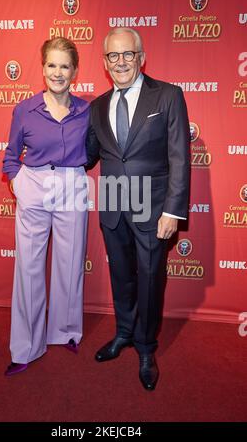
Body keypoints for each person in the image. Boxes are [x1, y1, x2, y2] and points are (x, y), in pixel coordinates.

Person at [86, 28, 190, 391]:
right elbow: (86, 155)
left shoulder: (167, 96)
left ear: (141, 56)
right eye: (113, 56)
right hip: (112, 202)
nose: (121, 62)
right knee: (122, 277)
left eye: (127, 54)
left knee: (149, 279)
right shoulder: (97, 106)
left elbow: (179, 156)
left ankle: (146, 347)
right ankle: (124, 333)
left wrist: (172, 211)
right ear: (104, 62)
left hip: (153, 206)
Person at [2, 37, 89, 376]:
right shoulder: (24, 109)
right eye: (51, 65)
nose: (58, 72)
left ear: (75, 71)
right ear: (42, 69)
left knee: (69, 264)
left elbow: (95, 148)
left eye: (64, 66)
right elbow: (11, 155)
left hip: (72, 185)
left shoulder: (85, 110)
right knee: (29, 268)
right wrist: (17, 182)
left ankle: (65, 332)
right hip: (34, 184)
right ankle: (25, 347)